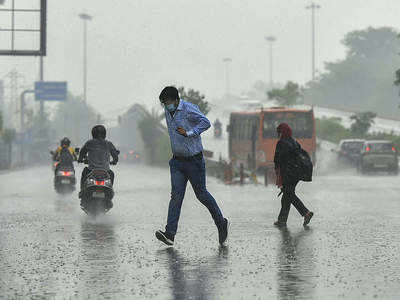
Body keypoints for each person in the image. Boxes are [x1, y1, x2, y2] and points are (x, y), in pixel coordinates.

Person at [155, 86, 229, 246]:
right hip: (177, 162)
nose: (166, 106)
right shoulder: (168, 111)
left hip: (194, 161)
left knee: (201, 195)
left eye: (168, 102)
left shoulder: (189, 109)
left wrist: (190, 132)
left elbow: (206, 122)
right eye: (164, 103)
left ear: (176, 100)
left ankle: (221, 223)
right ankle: (170, 234)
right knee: (176, 197)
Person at [273, 122, 314, 227]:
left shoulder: (281, 143)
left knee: (289, 194)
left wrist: (277, 173)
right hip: (297, 173)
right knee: (287, 195)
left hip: (287, 173)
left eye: (279, 132)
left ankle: (306, 213)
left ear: (282, 132)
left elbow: (277, 160)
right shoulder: (295, 142)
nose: (278, 135)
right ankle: (282, 220)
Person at [77, 125, 119, 203]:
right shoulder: (108, 144)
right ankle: (110, 193)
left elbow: (82, 152)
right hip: (105, 171)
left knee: (84, 172)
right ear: (104, 134)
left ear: (93, 133)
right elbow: (115, 155)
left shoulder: (89, 143)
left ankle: (82, 191)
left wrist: (80, 159)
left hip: (91, 170)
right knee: (112, 174)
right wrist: (114, 161)